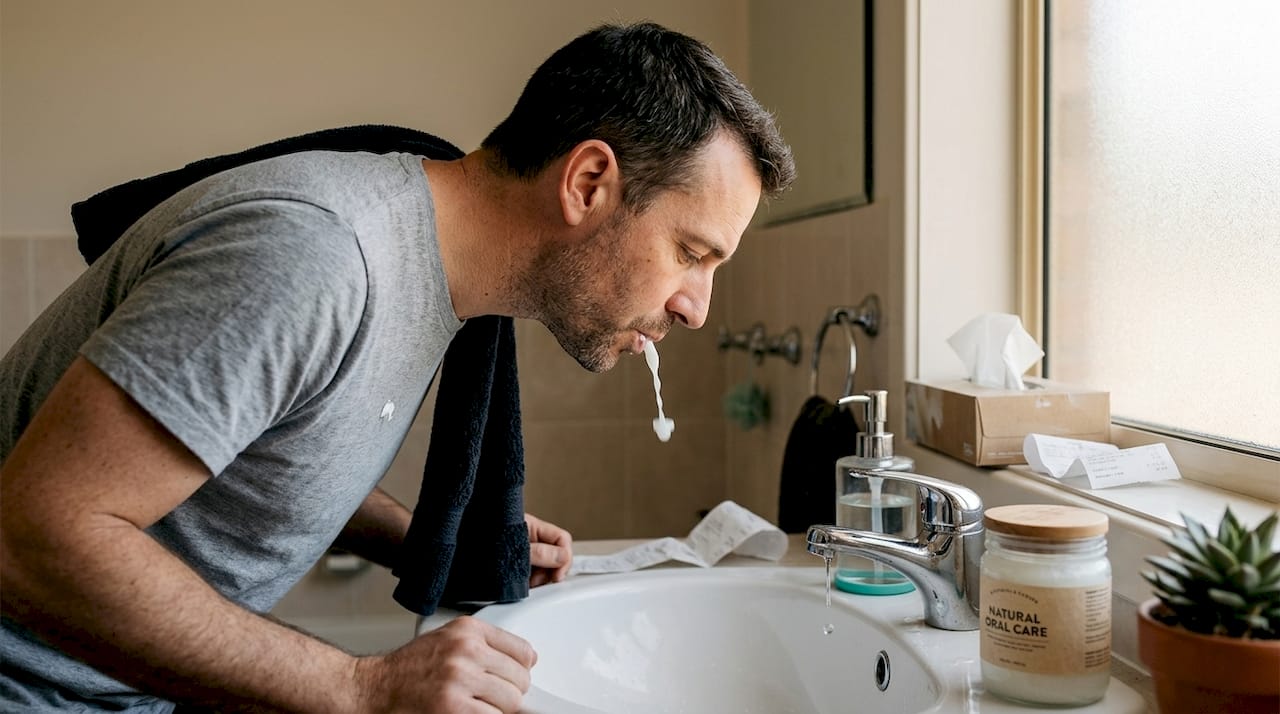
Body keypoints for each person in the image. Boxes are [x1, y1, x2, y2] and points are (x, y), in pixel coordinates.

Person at [0, 20, 794, 713]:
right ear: (588, 183)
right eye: (691, 253)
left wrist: (421, 540)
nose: (696, 306)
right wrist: (361, 690)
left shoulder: (429, 270)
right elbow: (33, 539)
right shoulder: (316, 259)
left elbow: (256, 445)